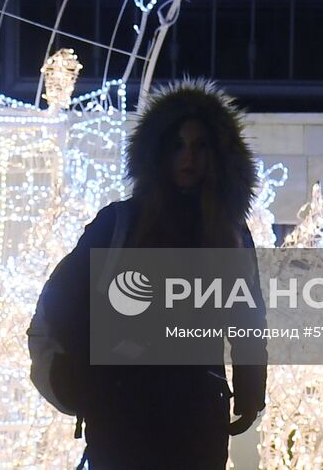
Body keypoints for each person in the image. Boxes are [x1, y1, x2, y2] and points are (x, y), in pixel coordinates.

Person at [39, 79, 267, 469]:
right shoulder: (120, 224)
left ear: (218, 156)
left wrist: (250, 387)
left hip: (196, 411)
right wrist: (95, 378)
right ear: (158, 153)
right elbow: (63, 302)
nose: (188, 158)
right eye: (177, 145)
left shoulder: (230, 234)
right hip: (125, 409)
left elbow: (246, 319)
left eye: (199, 146)